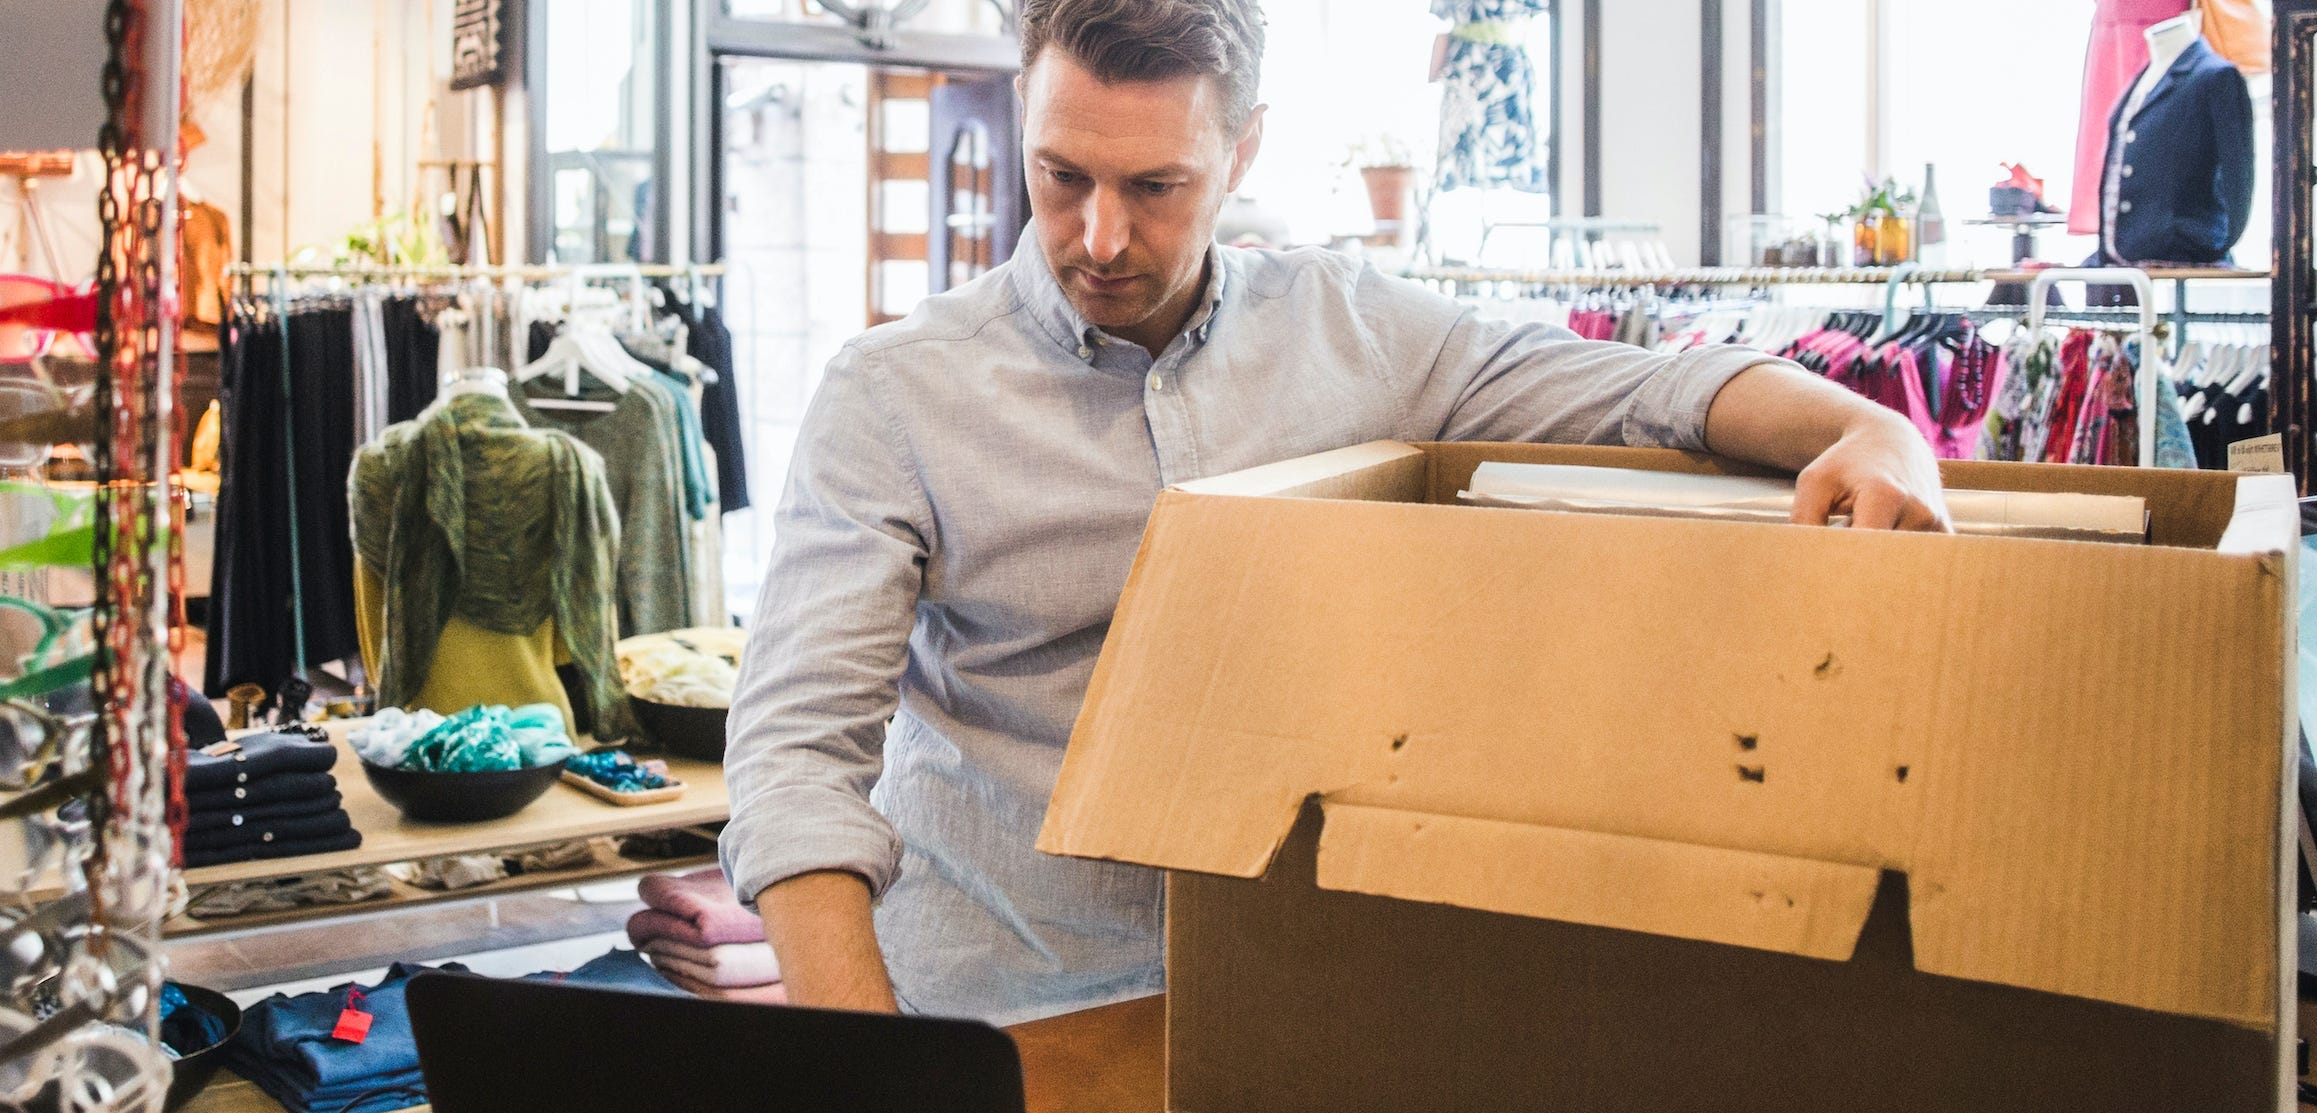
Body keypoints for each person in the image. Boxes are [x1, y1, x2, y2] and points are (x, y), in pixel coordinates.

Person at [723, 0, 1951, 1023]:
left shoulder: (1359, 333)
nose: (1098, 237)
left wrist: (1870, 426)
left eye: (1156, 185)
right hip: (1001, 1013)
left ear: (1244, 151)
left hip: (1303, 1004)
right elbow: (795, 757)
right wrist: (873, 1070)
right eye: (1062, 176)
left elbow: (1650, 393)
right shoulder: (891, 394)